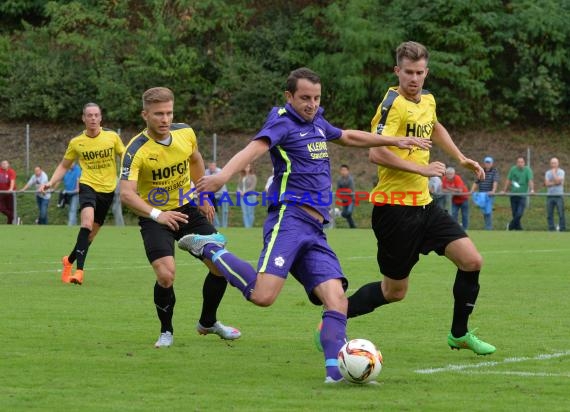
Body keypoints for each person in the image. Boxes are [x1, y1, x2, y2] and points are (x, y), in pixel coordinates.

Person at [181, 67, 430, 383]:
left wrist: (395, 139)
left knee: (337, 298)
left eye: (316, 98)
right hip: (289, 219)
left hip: (315, 229)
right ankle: (211, 249)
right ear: (289, 96)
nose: (311, 104)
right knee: (263, 295)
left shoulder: (316, 122)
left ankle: (335, 374)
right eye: (305, 98)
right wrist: (222, 177)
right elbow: (252, 150)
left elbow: (349, 136)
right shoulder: (282, 123)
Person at [343, 41, 495, 357]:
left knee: (472, 261)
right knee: (394, 292)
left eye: (420, 72)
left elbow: (434, 126)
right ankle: (333, 319)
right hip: (394, 209)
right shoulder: (392, 103)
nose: (414, 78)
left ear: (426, 72)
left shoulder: (427, 99)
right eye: (409, 72)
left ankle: (459, 334)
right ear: (397, 70)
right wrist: (420, 169)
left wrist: (461, 157)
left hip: (424, 206)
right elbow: (375, 152)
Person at [119, 87, 240, 348]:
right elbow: (126, 194)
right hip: (155, 217)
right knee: (166, 275)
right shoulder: (135, 149)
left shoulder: (185, 132)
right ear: (145, 115)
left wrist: (204, 195)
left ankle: (208, 322)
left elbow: (195, 159)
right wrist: (157, 215)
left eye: (169, 113)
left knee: (220, 266)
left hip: (187, 209)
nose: (165, 119)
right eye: (158, 114)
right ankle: (166, 331)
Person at [40, 103, 125, 285]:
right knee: (86, 223)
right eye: (89, 115)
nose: (93, 118)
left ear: (101, 118)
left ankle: (68, 261)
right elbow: (64, 165)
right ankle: (79, 272)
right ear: (83, 118)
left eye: (96, 115)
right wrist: (51, 182)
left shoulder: (112, 137)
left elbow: (126, 158)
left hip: (108, 189)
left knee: (90, 236)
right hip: (87, 185)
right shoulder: (76, 142)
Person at [501, 156, 534, 230]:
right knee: (514, 214)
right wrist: (504, 190)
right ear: (516, 163)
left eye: (521, 162)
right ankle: (519, 229)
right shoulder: (513, 169)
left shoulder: (527, 170)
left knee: (519, 214)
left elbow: (530, 180)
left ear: (524, 163)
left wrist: (532, 190)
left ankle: (509, 226)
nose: (520, 164)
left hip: (522, 195)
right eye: (518, 162)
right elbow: (508, 180)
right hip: (513, 195)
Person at [471, 156, 499, 230]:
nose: (487, 164)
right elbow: (476, 182)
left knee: (488, 211)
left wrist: (493, 191)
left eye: (489, 162)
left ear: (492, 163)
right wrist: (472, 191)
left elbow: (495, 182)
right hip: (482, 195)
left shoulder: (494, 171)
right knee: (485, 211)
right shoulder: (481, 171)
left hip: (489, 195)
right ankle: (487, 227)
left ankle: (489, 228)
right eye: (486, 162)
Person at [545, 157, 566, 231]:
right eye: (552, 163)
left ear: (558, 163)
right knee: (549, 214)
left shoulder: (561, 172)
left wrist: (554, 173)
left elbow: (559, 182)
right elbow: (547, 184)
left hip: (559, 195)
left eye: (555, 163)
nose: (553, 164)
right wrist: (555, 182)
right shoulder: (547, 172)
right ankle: (551, 228)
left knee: (561, 213)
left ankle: (562, 228)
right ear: (550, 164)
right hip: (550, 196)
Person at [205, 161, 229, 228]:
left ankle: (224, 226)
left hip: (222, 193)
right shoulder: (206, 172)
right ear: (208, 166)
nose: (212, 167)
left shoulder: (220, 172)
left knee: (225, 211)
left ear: (215, 166)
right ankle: (217, 225)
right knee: (212, 210)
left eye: (213, 165)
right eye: (210, 166)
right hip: (212, 194)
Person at [237, 163, 257, 228]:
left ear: (250, 168)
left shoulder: (253, 176)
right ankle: (247, 227)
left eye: (248, 167)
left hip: (251, 196)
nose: (247, 168)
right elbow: (238, 186)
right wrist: (239, 191)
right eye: (245, 166)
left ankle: (249, 227)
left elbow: (252, 187)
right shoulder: (241, 177)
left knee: (250, 213)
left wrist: (244, 192)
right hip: (242, 197)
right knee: (244, 213)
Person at [0, 160, 17, 224]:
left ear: (8, 165)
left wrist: (11, 189)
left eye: (5, 163)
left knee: (10, 209)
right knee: (1, 208)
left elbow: (12, 180)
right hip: (1, 193)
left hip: (10, 193)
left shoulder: (11, 171)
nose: (3, 165)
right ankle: (14, 217)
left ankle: (9, 224)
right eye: (2, 164)